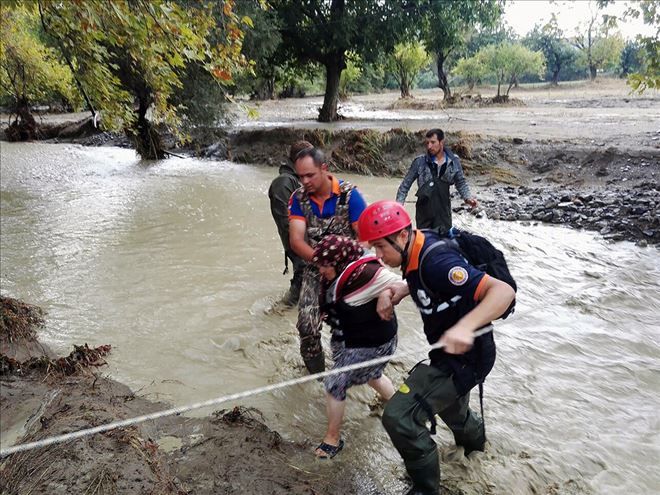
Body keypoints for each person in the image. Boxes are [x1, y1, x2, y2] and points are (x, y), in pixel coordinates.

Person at [357, 200, 515, 495]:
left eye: (380, 247)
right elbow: (424, 278)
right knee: (453, 413)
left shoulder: (438, 262)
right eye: (373, 248)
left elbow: (502, 292)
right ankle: (477, 449)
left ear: (402, 235)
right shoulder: (416, 247)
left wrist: (466, 327)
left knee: (399, 417)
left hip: (466, 358)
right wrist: (404, 289)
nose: (377, 256)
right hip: (456, 354)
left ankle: (425, 490)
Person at [311, 234, 399, 459]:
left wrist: (386, 295)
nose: (321, 271)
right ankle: (396, 403)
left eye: (324, 266)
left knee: (335, 382)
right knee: (372, 375)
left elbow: (407, 284)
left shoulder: (369, 274)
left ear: (339, 261)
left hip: (373, 343)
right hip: (352, 338)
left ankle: (333, 439)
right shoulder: (342, 266)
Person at [288, 147, 367, 374]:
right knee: (306, 326)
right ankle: (318, 379)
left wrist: (343, 267)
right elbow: (296, 240)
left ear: (324, 169)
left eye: (309, 175)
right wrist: (322, 264)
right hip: (316, 268)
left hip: (350, 271)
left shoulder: (350, 195)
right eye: (300, 176)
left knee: (356, 328)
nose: (304, 181)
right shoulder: (298, 198)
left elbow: (365, 239)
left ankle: (358, 373)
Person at [396, 129, 477, 233]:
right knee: (426, 244)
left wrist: (468, 198)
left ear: (441, 142)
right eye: (427, 143)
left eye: (433, 142)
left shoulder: (453, 161)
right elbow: (404, 186)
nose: (429, 146)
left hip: (444, 213)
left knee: (444, 245)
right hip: (424, 213)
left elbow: (460, 182)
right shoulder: (419, 162)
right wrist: (399, 206)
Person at [268, 140, 313, 306]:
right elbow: (284, 220)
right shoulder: (283, 183)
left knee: (308, 277)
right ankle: (279, 313)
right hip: (296, 240)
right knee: (303, 275)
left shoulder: (298, 180)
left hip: (304, 238)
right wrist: (300, 243)